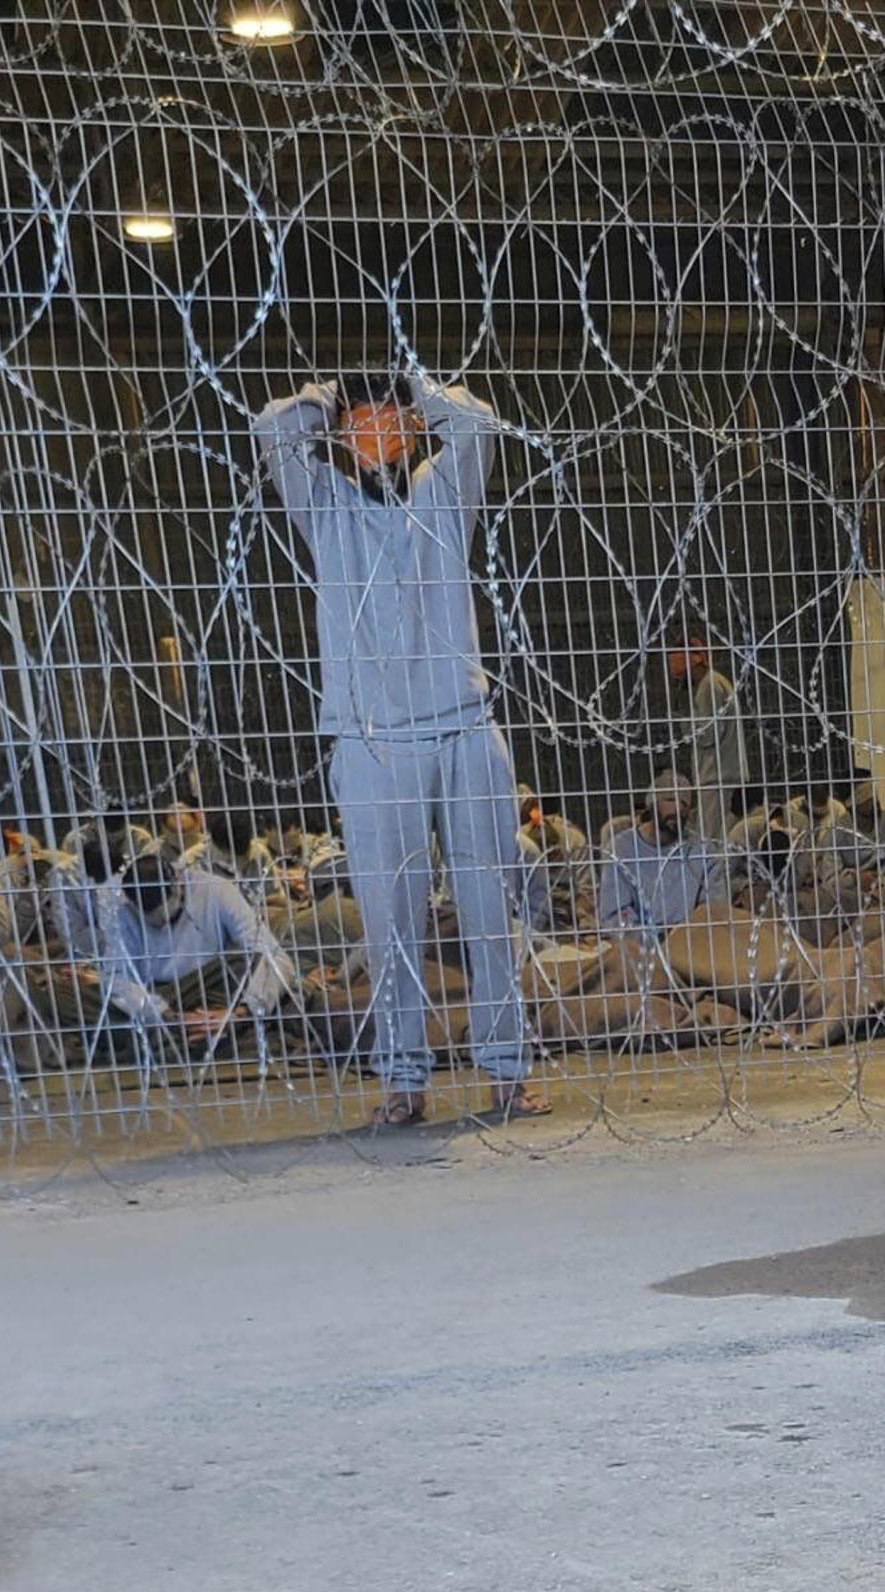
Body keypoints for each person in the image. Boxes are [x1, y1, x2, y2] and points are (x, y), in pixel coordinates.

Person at [255, 368, 549, 1125]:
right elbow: (272, 430)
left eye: (391, 420)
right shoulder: (327, 509)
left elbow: (480, 424)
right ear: (342, 438)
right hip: (372, 740)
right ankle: (402, 1079)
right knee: (391, 920)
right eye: (362, 423)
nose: (377, 433)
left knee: (491, 908)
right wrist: (326, 401)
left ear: (415, 428)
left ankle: (508, 1071)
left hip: (461, 726)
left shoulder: (444, 497)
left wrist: (419, 393)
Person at [101, 852, 293, 1040]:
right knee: (84, 997)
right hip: (157, 995)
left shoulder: (216, 890)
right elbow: (115, 978)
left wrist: (240, 1013)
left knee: (250, 962)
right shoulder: (122, 907)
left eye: (168, 915)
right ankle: (189, 1035)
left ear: (179, 884)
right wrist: (166, 1016)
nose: (161, 923)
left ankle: (220, 1026)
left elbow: (276, 957)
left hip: (212, 986)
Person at [598, 770, 715, 936]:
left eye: (684, 802)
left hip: (690, 944)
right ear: (652, 804)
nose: (678, 808)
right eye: (670, 799)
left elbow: (714, 910)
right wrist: (653, 938)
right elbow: (614, 914)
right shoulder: (621, 848)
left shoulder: (702, 851)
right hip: (638, 949)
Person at [668, 636, 747, 850]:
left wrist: (683, 721)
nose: (679, 682)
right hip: (725, 775)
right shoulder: (716, 682)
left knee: (712, 844)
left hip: (717, 777)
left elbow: (708, 735)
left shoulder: (708, 686)